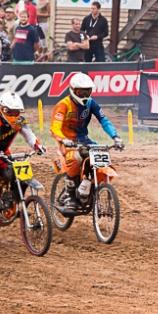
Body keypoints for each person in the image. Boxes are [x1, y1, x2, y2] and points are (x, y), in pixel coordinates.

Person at [50, 73, 122, 211]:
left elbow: (103, 120)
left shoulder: (91, 103)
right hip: (67, 142)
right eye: (81, 92)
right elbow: (55, 127)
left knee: (102, 156)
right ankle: (70, 196)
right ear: (73, 90)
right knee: (76, 159)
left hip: (85, 140)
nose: (84, 95)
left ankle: (90, 185)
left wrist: (116, 137)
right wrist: (63, 140)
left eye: (87, 91)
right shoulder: (63, 105)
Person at [0, 92, 46, 222]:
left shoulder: (20, 121)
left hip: (2, 152)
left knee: (18, 173)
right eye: (10, 112)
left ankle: (12, 203)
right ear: (2, 109)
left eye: (16, 112)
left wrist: (38, 146)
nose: (13, 116)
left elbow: (29, 135)